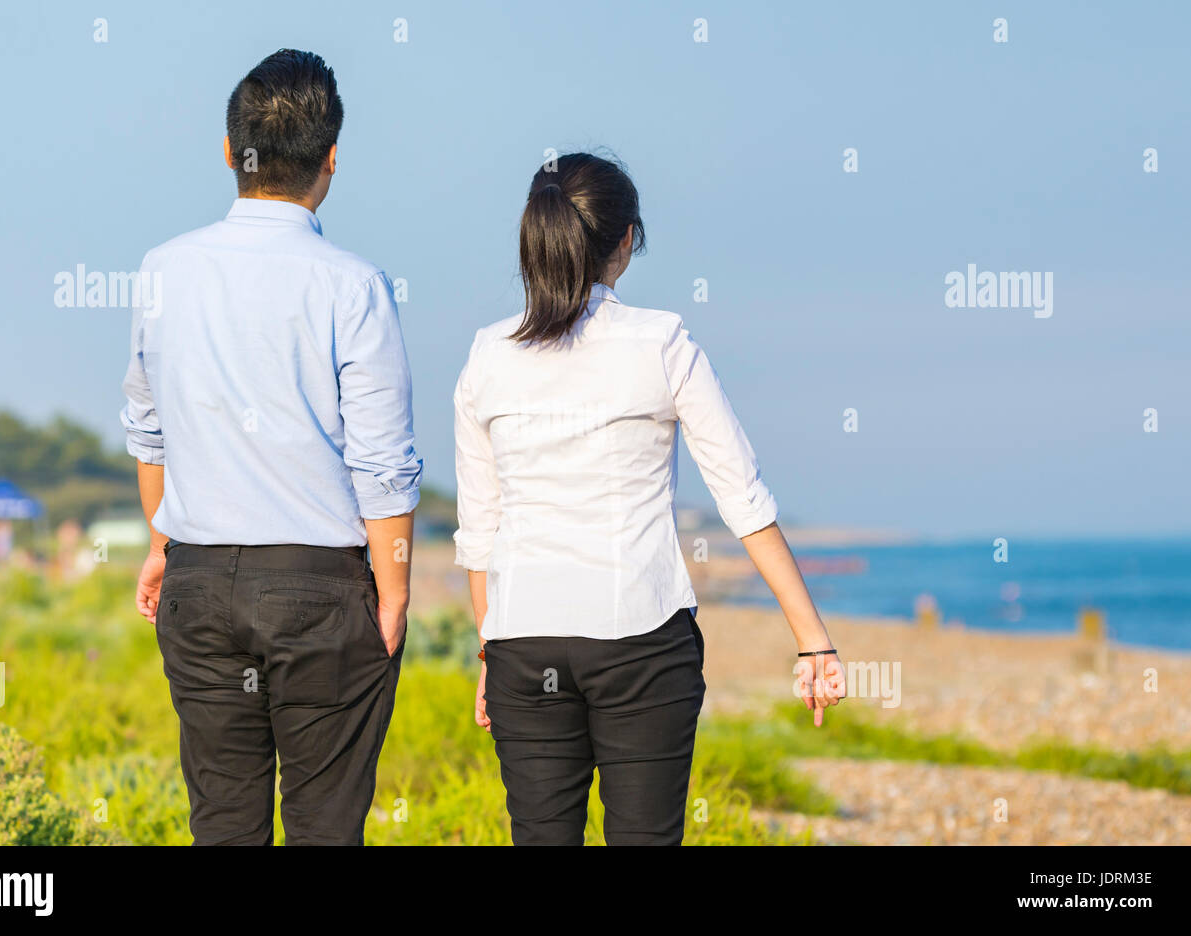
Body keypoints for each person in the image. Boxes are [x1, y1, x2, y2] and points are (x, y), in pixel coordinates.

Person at [454, 153, 845, 846]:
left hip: (522, 644)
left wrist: (490, 651)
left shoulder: (487, 354)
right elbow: (742, 497)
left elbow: (480, 532)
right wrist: (812, 642)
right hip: (639, 634)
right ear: (626, 241)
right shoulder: (661, 341)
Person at [120, 49, 420, 845]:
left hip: (198, 578)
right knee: (325, 828)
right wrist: (393, 593)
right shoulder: (354, 284)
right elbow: (382, 463)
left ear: (229, 152)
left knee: (222, 823)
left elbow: (148, 427)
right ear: (331, 160)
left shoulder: (162, 270)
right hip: (320, 585)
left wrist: (161, 542)